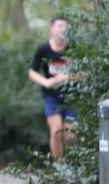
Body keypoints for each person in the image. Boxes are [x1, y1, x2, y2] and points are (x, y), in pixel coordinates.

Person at [28, 16, 77, 160]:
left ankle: (74, 167)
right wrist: (45, 82)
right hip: (52, 96)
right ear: (52, 29)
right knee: (56, 131)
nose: (63, 29)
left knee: (70, 135)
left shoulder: (73, 48)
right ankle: (59, 168)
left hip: (72, 96)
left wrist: (67, 77)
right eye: (60, 26)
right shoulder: (43, 49)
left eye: (66, 26)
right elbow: (32, 71)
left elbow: (84, 73)